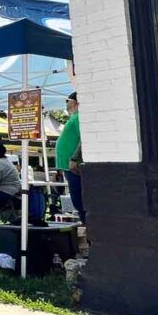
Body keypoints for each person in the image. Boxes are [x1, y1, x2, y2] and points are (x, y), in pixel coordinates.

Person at [55, 92, 84, 223]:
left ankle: (87, 226)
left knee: (79, 199)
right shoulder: (75, 117)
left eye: (67, 101)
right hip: (68, 165)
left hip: (73, 165)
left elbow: (83, 138)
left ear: (74, 102)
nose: (66, 105)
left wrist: (74, 158)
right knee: (77, 199)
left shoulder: (78, 117)